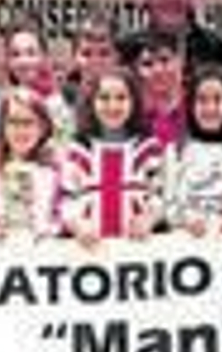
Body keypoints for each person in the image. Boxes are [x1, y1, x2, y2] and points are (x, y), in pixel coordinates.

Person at [59, 68, 163, 244]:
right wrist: (77, 224)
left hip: (138, 249)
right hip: (91, 250)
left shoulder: (147, 148)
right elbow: (66, 198)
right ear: (92, 101)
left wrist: (149, 219)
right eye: (104, 98)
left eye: (121, 98)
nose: (113, 106)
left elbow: (159, 194)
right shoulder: (79, 150)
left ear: (134, 102)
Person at [162, 65, 222, 235]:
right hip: (187, 245)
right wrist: (186, 219)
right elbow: (168, 207)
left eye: (218, 100)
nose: (210, 108)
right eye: (202, 100)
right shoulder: (175, 151)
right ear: (191, 105)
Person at [0, 87, 61, 241]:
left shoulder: (57, 169)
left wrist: (53, 228)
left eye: (28, 122)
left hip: (45, 254)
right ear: (2, 127)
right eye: (13, 122)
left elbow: (63, 211)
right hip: (0, 255)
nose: (20, 130)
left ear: (43, 127)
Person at [132, 29, 186, 148]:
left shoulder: (199, 104)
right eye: (147, 64)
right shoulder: (129, 113)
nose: (158, 70)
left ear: (180, 61)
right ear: (136, 70)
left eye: (164, 60)